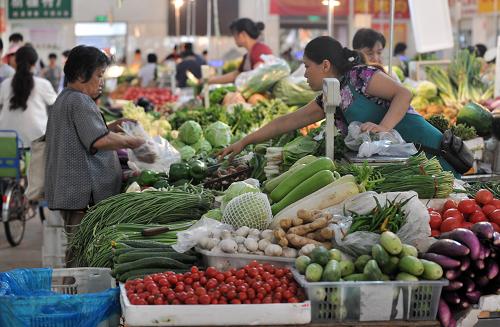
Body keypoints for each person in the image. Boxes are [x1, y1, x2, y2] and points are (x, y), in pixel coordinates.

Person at [220, 36, 456, 174]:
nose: (304, 74)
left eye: (307, 66)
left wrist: (384, 127)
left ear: (324, 65)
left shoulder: (360, 76)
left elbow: (403, 94)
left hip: (431, 152)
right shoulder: (332, 95)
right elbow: (287, 121)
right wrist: (244, 141)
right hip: (405, 162)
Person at [44, 45, 146, 267]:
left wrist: (112, 126)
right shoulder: (79, 101)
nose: (101, 81)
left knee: (78, 247)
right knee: (81, 251)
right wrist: (134, 142)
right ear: (81, 75)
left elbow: (82, 133)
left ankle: (75, 291)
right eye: (99, 75)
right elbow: (98, 141)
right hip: (82, 194)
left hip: (72, 191)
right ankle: (77, 295)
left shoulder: (65, 98)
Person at [0, 46, 57, 147]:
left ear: (15, 62)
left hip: (7, 141)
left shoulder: (5, 84)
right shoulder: (43, 84)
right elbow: (57, 104)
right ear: (34, 64)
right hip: (36, 142)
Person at [208, 18, 272, 84]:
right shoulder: (248, 55)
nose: (234, 39)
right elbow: (236, 75)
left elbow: (260, 75)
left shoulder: (260, 50)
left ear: (242, 35)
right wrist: (211, 80)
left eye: (234, 35)